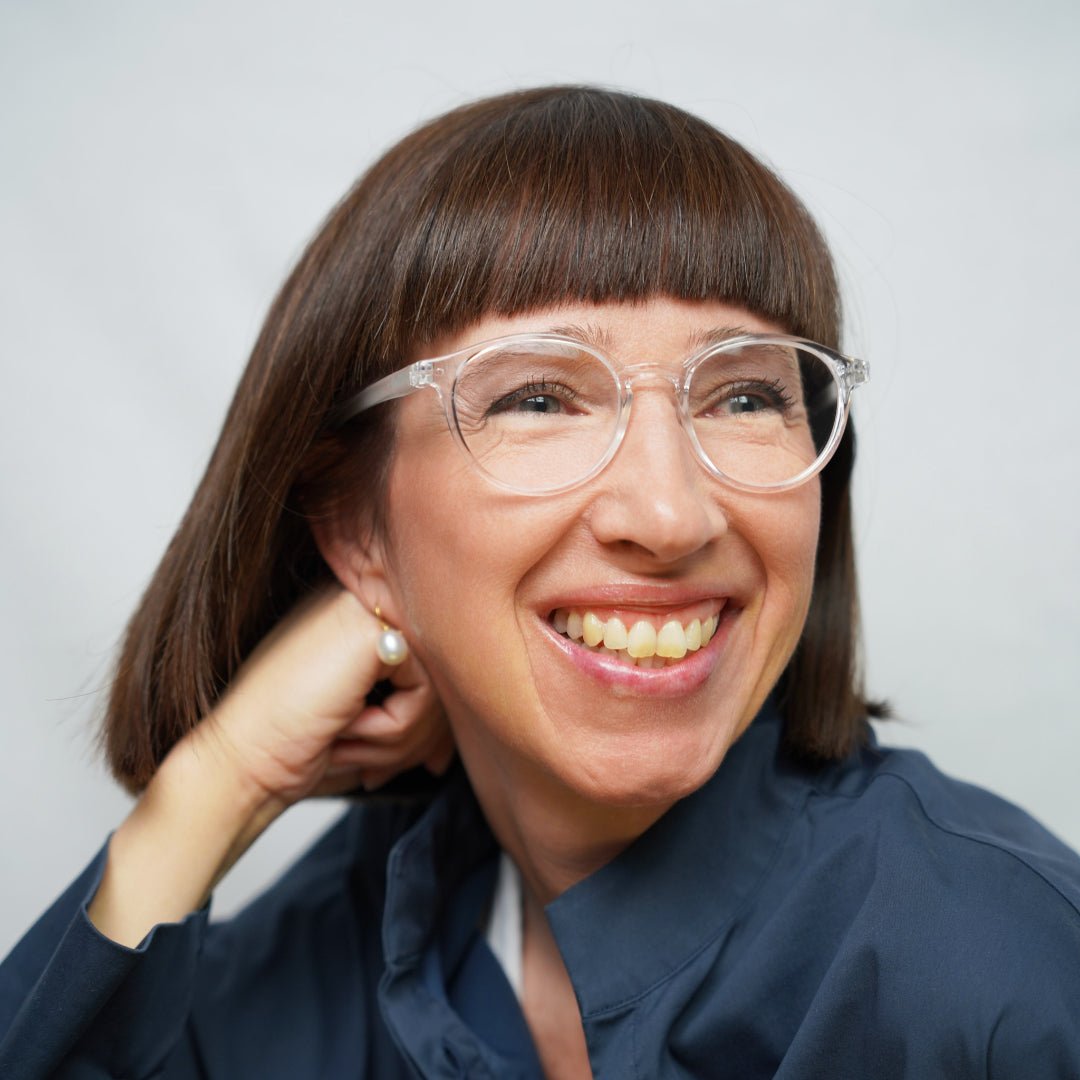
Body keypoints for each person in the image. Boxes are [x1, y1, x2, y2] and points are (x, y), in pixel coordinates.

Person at [1, 86, 1077, 1080]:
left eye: (744, 396)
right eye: (538, 399)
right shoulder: (357, 930)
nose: (670, 515)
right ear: (353, 521)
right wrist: (212, 789)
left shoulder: (993, 973)